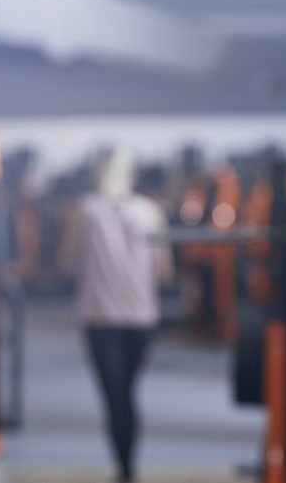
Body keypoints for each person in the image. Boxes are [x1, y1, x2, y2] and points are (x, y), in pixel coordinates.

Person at [64, 147, 172, 483]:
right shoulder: (151, 211)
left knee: (117, 397)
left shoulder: (83, 211)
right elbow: (165, 269)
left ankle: (125, 468)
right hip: (141, 317)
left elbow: (67, 262)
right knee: (127, 393)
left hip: (101, 318)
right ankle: (127, 467)